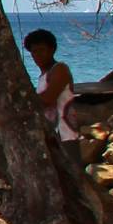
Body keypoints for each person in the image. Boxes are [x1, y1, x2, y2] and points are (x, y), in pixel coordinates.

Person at [24, 28, 80, 156]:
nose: (38, 55)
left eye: (41, 50)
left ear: (52, 50)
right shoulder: (43, 76)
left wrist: (26, 100)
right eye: (34, 51)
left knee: (72, 171)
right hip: (52, 135)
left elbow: (48, 98)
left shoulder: (59, 69)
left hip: (65, 133)